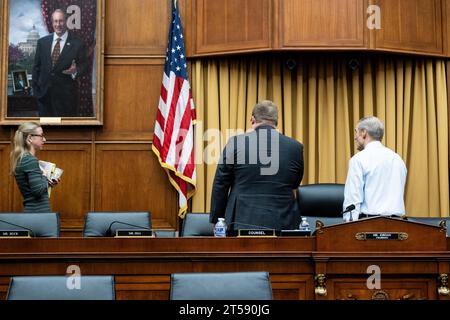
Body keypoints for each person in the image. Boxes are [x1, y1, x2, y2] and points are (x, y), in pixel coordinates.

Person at [210, 100, 304, 233]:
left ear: (253, 120)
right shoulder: (295, 147)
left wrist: (217, 220)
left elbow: (221, 184)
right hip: (283, 223)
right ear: (276, 122)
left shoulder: (235, 143)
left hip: (241, 222)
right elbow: (295, 183)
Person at [343, 116, 407, 222]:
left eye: (356, 132)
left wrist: (349, 229)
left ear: (364, 133)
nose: (355, 137)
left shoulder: (358, 159)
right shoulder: (397, 159)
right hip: (398, 225)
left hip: (369, 225)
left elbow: (353, 200)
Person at [32, 9, 87, 117]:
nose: (58, 24)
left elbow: (84, 66)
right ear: (52, 23)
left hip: (66, 98)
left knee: (65, 132)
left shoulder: (78, 43)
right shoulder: (42, 42)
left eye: (61, 21)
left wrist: (75, 70)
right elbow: (36, 68)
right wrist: (36, 91)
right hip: (44, 98)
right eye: (55, 21)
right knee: (47, 130)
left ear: (66, 22)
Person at [10, 122, 59, 213]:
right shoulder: (30, 160)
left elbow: (33, 189)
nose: (44, 139)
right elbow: (38, 191)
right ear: (30, 138)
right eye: (41, 136)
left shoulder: (23, 158)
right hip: (38, 213)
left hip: (34, 212)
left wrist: (48, 183)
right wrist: (44, 175)